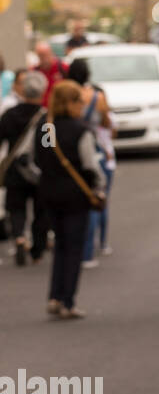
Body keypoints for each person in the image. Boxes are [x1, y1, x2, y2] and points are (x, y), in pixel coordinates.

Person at [34, 80, 106, 319]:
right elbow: (89, 163)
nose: (83, 108)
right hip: (75, 195)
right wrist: (99, 185)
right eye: (80, 102)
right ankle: (67, 301)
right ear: (71, 103)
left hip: (49, 192)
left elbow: (39, 159)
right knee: (74, 248)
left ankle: (54, 296)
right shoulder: (80, 129)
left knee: (60, 247)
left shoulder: (46, 127)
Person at [65, 58, 115, 267]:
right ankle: (99, 244)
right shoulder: (96, 96)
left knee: (74, 202)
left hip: (70, 151)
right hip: (95, 150)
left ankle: (75, 247)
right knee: (98, 198)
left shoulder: (65, 96)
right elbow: (107, 124)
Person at [0, 70, 50, 266]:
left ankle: (20, 237)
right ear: (42, 92)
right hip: (39, 172)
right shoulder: (47, 118)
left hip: (15, 169)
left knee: (16, 207)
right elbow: (50, 147)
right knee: (40, 212)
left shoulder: (9, 115)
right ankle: (37, 251)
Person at [31, 42, 68, 107]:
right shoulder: (34, 72)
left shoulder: (63, 68)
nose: (44, 58)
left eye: (45, 54)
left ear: (51, 53)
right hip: (42, 110)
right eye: (41, 55)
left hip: (60, 109)